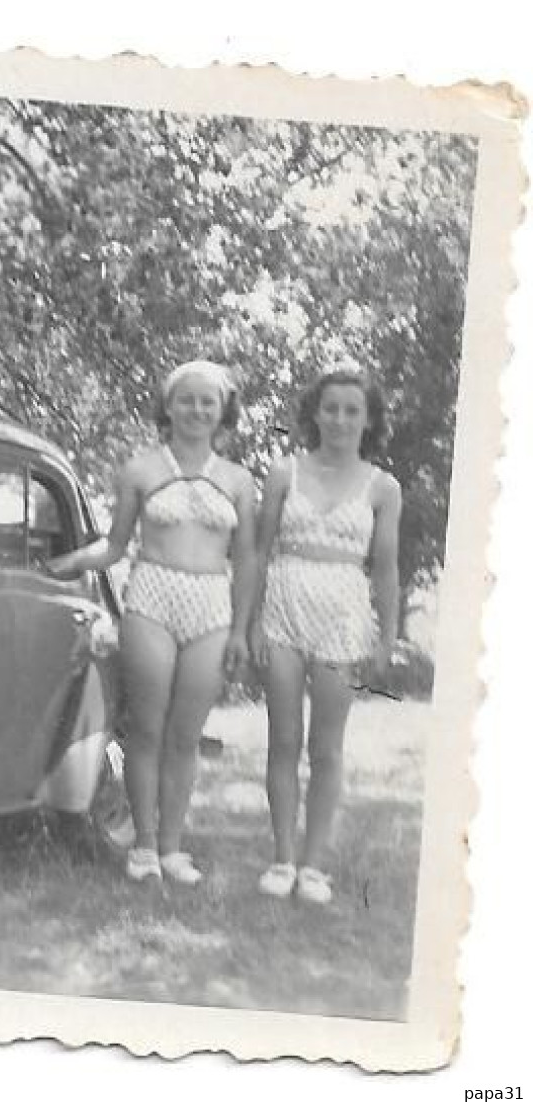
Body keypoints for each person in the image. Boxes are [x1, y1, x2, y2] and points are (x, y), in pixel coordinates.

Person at [47, 360, 257, 884]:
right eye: (186, 399)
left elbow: (249, 558)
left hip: (212, 604)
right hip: (152, 597)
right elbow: (115, 546)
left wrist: (241, 631)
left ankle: (172, 848)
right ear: (168, 406)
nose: (196, 409)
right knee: (146, 728)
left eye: (208, 401)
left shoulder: (237, 480)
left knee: (186, 734)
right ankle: (142, 847)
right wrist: (66, 563)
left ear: (223, 410)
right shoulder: (140, 469)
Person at [249, 370, 401, 904]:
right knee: (284, 739)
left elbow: (385, 569)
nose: (339, 419)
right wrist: (250, 623)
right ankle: (283, 858)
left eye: (351, 410)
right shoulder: (283, 471)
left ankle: (315, 866)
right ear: (315, 413)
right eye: (330, 408)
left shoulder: (383, 487)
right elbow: (258, 550)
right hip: (283, 607)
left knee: (327, 746)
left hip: (343, 614)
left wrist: (387, 638)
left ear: (368, 419)